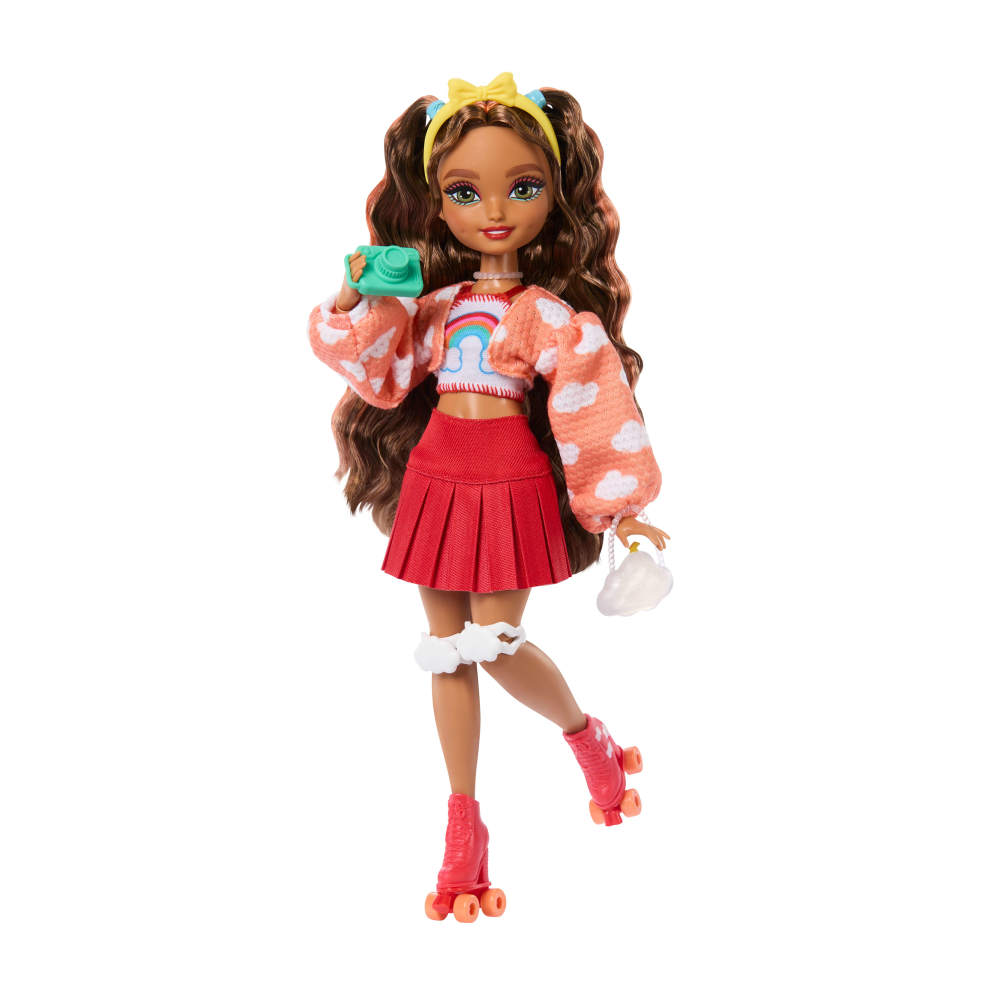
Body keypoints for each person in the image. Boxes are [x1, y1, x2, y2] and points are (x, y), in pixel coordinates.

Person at [308, 73, 669, 922]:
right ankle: (463, 827)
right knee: (445, 650)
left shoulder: (551, 316)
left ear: (555, 196)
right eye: (465, 192)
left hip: (508, 478)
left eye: (523, 187)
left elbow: (591, 407)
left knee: (495, 644)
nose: (495, 211)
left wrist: (622, 511)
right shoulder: (434, 305)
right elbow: (379, 372)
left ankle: (587, 737)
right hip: (438, 473)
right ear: (438, 203)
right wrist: (361, 293)